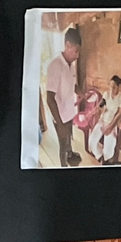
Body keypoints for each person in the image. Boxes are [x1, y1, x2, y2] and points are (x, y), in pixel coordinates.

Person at [43, 26, 83, 167]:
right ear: (67, 45)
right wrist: (60, 124)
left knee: (68, 140)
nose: (77, 55)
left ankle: (70, 156)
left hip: (69, 113)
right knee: (63, 144)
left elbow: (72, 85)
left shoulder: (71, 65)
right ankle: (63, 167)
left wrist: (80, 92)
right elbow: (49, 98)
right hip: (60, 116)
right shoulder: (55, 66)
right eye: (76, 51)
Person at [92, 75, 121, 164]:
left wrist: (110, 127)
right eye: (110, 86)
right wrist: (97, 110)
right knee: (92, 141)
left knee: (108, 149)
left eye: (114, 87)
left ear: (118, 86)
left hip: (112, 122)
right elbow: (100, 105)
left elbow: (119, 113)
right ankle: (100, 156)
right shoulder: (106, 94)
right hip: (102, 120)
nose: (111, 89)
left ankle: (105, 160)